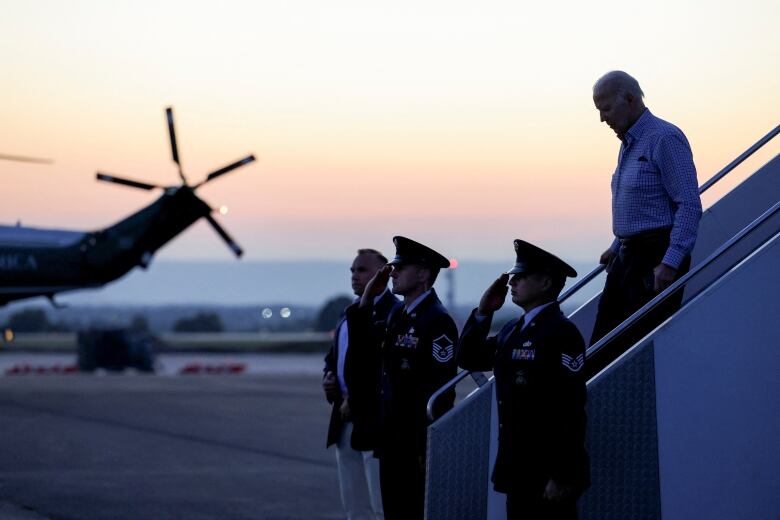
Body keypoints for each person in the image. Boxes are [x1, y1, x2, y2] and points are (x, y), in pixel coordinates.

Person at [458, 239, 590, 520]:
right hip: (517, 467)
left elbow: (570, 407)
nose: (512, 282)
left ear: (545, 283)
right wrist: (484, 311)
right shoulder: (511, 330)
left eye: (521, 276)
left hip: (547, 472)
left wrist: (563, 473)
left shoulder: (561, 333)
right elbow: (468, 357)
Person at [589, 70, 702, 373]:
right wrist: (617, 245)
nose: (602, 118)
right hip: (627, 257)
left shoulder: (664, 138)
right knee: (602, 346)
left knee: (638, 350)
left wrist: (671, 261)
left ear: (629, 98)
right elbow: (642, 204)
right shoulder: (629, 143)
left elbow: (688, 203)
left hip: (654, 258)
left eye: (606, 108)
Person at [347, 236, 458, 520]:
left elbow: (439, 392)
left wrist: (427, 446)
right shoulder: (401, 314)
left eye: (401, 267)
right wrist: (367, 300)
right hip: (391, 439)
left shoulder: (436, 319)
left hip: (413, 445)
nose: (393, 272)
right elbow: (363, 351)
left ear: (422, 274)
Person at [323, 249, 399, 520]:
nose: (355, 276)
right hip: (344, 418)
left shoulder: (394, 313)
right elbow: (334, 358)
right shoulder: (350, 314)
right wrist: (329, 377)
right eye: (353, 271)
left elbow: (380, 368)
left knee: (380, 503)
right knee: (354, 504)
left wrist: (353, 397)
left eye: (363, 270)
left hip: (374, 421)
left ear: (384, 275)